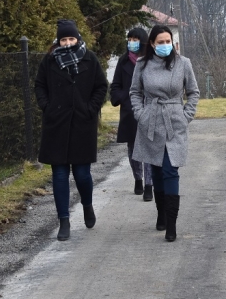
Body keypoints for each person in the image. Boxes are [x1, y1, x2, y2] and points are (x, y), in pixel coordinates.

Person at [35, 19, 109, 241]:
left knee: (82, 174)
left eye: (71, 38)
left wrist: (90, 109)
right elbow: (39, 85)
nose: (67, 43)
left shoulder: (89, 58)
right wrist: (47, 107)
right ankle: (64, 221)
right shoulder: (49, 61)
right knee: (59, 174)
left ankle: (87, 205)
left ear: (78, 38)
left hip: (81, 124)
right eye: (63, 39)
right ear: (58, 41)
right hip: (56, 124)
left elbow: (101, 87)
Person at [130, 25, 199, 242]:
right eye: (160, 42)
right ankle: (160, 212)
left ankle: (172, 224)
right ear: (152, 44)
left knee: (171, 171)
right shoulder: (142, 65)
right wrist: (140, 115)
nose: (165, 45)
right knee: (157, 171)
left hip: (174, 123)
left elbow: (193, 92)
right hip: (150, 122)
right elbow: (135, 92)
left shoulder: (183, 63)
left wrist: (186, 115)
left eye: (168, 41)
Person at [110, 27, 153, 201]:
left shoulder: (151, 61)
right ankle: (138, 178)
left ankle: (149, 184)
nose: (132, 42)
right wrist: (126, 96)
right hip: (130, 112)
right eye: (130, 39)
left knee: (149, 149)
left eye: (135, 39)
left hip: (149, 110)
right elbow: (115, 88)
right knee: (133, 149)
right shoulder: (123, 62)